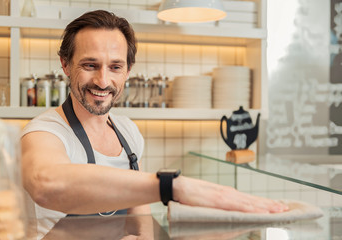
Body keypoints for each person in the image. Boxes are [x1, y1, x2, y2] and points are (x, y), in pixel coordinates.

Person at [21, 9, 288, 236]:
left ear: (128, 70)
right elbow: (47, 184)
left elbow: (138, 209)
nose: (103, 81)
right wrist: (171, 186)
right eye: (90, 65)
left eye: (115, 67)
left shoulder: (128, 131)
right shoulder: (44, 131)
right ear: (65, 65)